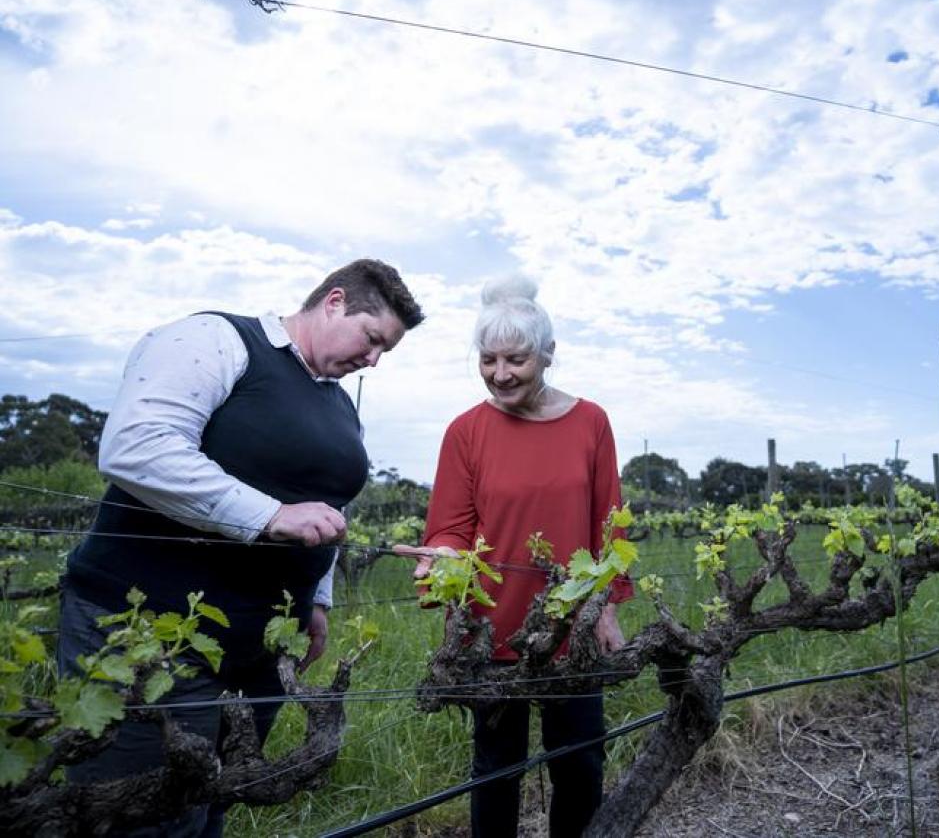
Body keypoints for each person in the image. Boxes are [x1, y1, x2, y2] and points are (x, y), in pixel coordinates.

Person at [57, 258, 424, 836]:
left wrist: (317, 599)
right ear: (333, 302)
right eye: (372, 339)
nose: (373, 361)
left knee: (207, 809)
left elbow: (330, 504)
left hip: (258, 653)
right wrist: (270, 515)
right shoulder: (217, 341)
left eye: (386, 352)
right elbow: (137, 446)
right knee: (139, 815)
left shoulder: (338, 402)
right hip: (151, 636)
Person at [401, 274, 631, 838]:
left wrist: (605, 609)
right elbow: (453, 525)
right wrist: (444, 562)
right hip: (489, 629)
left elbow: (609, 522)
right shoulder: (465, 431)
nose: (500, 373)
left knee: (580, 762)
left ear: (548, 355)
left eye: (516, 359)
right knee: (494, 770)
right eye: (488, 359)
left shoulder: (591, 422)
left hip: (570, 628)